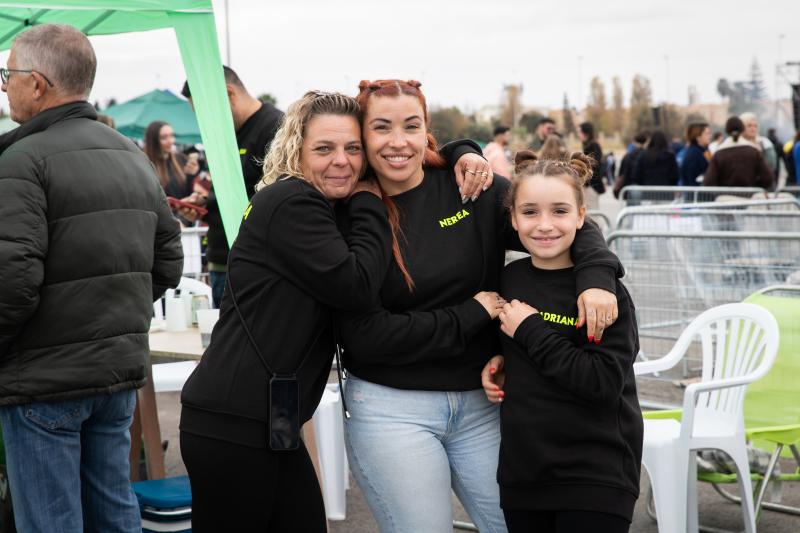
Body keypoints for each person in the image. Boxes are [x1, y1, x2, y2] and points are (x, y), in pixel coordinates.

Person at [178, 90, 491, 531]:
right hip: (233, 419)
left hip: (275, 417)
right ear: (296, 151)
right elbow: (358, 285)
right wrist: (368, 199)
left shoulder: (316, 207)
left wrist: (462, 150)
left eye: (352, 148)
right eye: (324, 149)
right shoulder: (293, 202)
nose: (341, 161)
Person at [340, 79, 622, 533]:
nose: (398, 141)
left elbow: (561, 218)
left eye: (411, 126)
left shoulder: (471, 187)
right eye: (381, 127)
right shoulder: (354, 209)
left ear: (426, 130)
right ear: (363, 135)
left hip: (482, 404)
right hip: (392, 407)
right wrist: (471, 313)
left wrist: (596, 278)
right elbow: (365, 335)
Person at [0, 23, 183, 532]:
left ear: (36, 83)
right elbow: (168, 263)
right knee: (115, 514)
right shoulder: (130, 154)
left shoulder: (21, 159)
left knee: (53, 522)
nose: (3, 85)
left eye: (6, 74)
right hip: (114, 374)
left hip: (44, 381)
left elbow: (10, 282)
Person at [481, 151, 642, 533]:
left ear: (581, 217)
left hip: (595, 475)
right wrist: (497, 364)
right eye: (531, 212)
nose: (545, 225)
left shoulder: (604, 295)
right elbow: (517, 352)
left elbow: (601, 383)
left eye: (559, 211)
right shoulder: (510, 278)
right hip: (524, 473)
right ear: (514, 219)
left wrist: (530, 330)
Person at [180, 68, 284, 307]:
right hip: (221, 260)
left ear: (229, 94)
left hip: (255, 267)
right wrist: (205, 203)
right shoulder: (226, 134)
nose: (204, 120)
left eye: (206, 111)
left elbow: (272, 201)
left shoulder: (276, 129)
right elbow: (232, 191)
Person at [704, 116, 774, 189]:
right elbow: (768, 178)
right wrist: (755, 187)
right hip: (750, 197)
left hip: (725, 197)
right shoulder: (753, 151)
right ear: (742, 129)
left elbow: (709, 181)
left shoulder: (719, 153)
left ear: (727, 130)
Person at [144, 119, 195, 199]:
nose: (170, 141)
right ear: (154, 141)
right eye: (164, 138)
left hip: (184, 210)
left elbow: (189, 192)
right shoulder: (145, 165)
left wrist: (191, 175)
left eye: (172, 135)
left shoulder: (181, 159)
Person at [578, 121, 605, 207]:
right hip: (590, 185)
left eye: (580, 132)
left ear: (586, 132)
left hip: (592, 186)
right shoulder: (589, 145)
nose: (578, 134)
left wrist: (585, 183)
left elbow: (593, 166)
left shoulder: (593, 146)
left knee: (592, 214)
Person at [614, 130, 648, 198]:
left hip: (629, 187)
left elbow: (622, 172)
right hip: (645, 187)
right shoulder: (647, 155)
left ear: (635, 141)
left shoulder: (628, 156)